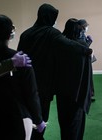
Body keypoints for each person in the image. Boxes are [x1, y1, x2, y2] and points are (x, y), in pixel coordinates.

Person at [17, 4, 92, 140]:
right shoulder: (52, 33)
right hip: (44, 83)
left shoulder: (26, 34)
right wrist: (86, 49)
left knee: (29, 116)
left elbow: (19, 56)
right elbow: (68, 45)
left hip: (25, 80)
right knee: (41, 117)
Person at [0, 14, 46, 140]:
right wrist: (39, 120)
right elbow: (31, 93)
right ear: (9, 35)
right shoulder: (20, 59)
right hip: (13, 119)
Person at [61, 18, 92, 140]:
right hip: (78, 92)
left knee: (64, 120)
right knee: (76, 122)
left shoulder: (62, 43)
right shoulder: (82, 45)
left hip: (63, 90)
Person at [78, 19, 96, 102]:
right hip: (84, 59)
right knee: (87, 78)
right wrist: (89, 42)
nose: (87, 27)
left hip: (85, 58)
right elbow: (84, 47)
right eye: (86, 26)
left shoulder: (81, 34)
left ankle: (89, 95)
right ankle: (88, 95)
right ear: (83, 27)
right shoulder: (80, 35)